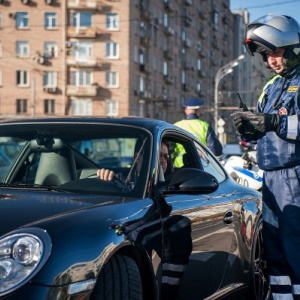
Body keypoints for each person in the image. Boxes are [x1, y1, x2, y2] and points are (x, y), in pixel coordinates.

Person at [232, 14, 300, 299]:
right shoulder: (271, 87)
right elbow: (261, 133)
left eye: (277, 52)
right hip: (270, 177)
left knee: (294, 245)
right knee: (273, 246)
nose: (272, 60)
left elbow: (281, 125)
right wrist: (247, 131)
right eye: (268, 54)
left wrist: (275, 123)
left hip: (295, 176)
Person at [98, 139, 192, 299]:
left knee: (180, 225)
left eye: (166, 157)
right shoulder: (119, 178)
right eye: (158, 156)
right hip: (121, 231)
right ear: (139, 158)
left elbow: (167, 209)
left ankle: (168, 293)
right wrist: (103, 182)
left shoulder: (172, 183)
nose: (163, 161)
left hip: (150, 228)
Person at [174, 98, 223, 167]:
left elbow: (170, 149)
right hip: (201, 166)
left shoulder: (176, 126)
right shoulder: (204, 126)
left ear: (186, 111)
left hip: (179, 168)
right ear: (199, 111)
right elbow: (216, 151)